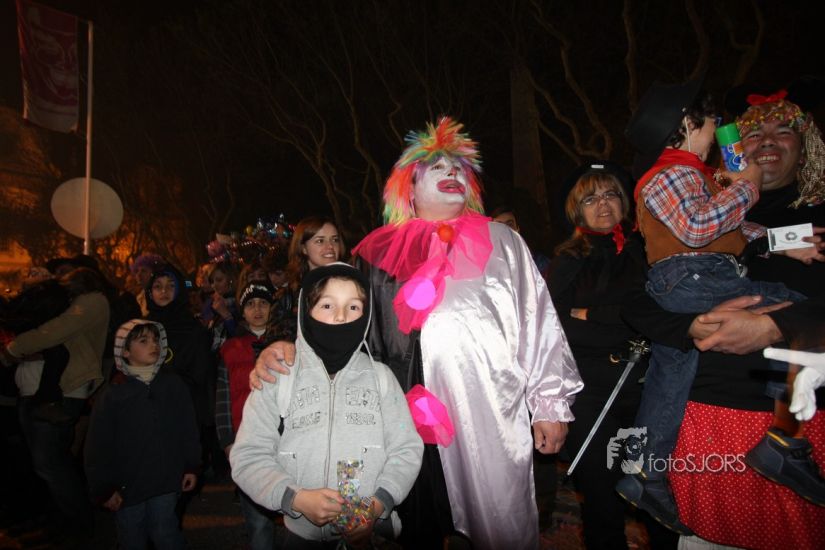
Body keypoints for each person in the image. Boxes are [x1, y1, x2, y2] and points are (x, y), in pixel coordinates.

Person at [252, 117, 582, 549]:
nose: (451, 172)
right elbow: (340, 324)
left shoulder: (503, 242)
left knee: (499, 525)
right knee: (415, 529)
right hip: (405, 417)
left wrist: (550, 404)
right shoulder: (376, 253)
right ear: (408, 186)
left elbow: (539, 325)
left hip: (488, 415)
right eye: (436, 167)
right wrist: (284, 349)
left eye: (458, 168)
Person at [622, 84, 825, 548]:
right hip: (708, 421)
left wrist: (786, 248)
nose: (722, 132)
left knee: (675, 367)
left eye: (783, 131)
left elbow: (734, 230)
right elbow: (691, 239)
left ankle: (648, 468)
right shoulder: (682, 178)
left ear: (807, 144)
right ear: (688, 126)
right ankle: (781, 439)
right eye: (741, 131)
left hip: (792, 416)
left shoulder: (707, 186)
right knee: (787, 299)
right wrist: (690, 328)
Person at [230, 262, 423, 548]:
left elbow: (406, 449)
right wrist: (295, 498)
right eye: (327, 305)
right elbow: (248, 456)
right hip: (301, 537)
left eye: (354, 307)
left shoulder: (381, 379)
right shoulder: (278, 376)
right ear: (306, 312)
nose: (341, 316)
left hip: (370, 532)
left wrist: (379, 503)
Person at [548, 162, 676, 549]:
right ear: (577, 209)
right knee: (600, 494)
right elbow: (554, 327)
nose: (602, 204)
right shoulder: (567, 260)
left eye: (610, 195)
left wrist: (594, 314)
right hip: (590, 392)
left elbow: (662, 315)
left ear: (624, 203)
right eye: (590, 198)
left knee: (655, 491)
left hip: (648, 388)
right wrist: (626, 320)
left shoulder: (649, 250)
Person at [0, 267, 110, 542]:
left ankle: (77, 526)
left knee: (52, 464)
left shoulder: (91, 302)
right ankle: (56, 520)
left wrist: (13, 349)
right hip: (40, 387)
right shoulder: (69, 303)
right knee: (45, 464)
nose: (59, 276)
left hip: (63, 389)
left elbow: (54, 332)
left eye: (64, 272)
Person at [84, 320, 200, 550]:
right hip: (128, 486)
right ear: (125, 351)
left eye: (156, 339)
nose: (153, 345)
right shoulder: (113, 395)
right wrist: (104, 488)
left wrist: (191, 465)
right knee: (131, 535)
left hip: (166, 479)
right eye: (143, 341)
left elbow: (188, 428)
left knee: (165, 531)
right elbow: (98, 445)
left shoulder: (172, 384)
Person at [215, 282, 279, 549]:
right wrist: (227, 440)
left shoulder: (286, 344)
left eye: (263, 303)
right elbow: (222, 398)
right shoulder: (230, 349)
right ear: (242, 311)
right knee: (258, 520)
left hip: (283, 438)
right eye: (251, 304)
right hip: (247, 439)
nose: (257, 309)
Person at [272, 216, 344, 343]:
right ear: (303, 248)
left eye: (335, 240)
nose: (330, 246)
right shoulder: (289, 297)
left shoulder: (353, 288)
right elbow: (275, 342)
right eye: (320, 241)